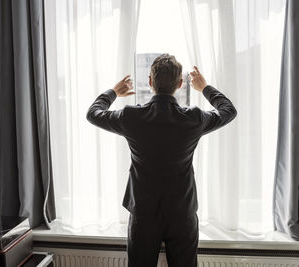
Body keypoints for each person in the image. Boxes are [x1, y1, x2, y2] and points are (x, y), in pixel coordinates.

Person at [86, 54, 237, 267]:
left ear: (150, 81)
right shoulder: (193, 118)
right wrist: (205, 88)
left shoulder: (132, 117)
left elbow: (93, 113)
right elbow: (228, 111)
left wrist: (113, 92)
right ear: (180, 83)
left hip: (144, 214)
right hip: (182, 213)